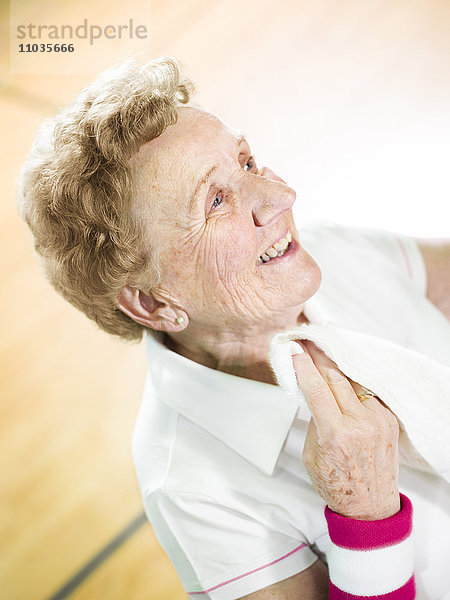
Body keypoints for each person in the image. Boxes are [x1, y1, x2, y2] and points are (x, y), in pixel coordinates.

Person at [18, 57, 450, 599]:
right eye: (216, 201)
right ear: (153, 303)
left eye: (247, 161)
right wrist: (365, 518)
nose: (281, 197)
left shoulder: (326, 249)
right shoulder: (191, 489)